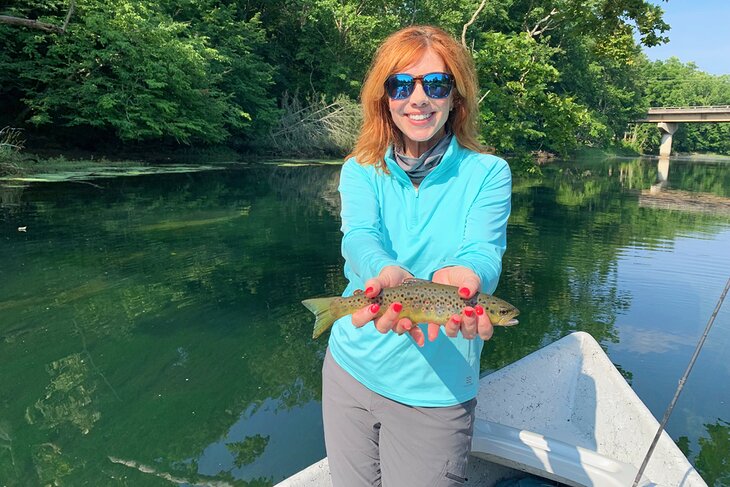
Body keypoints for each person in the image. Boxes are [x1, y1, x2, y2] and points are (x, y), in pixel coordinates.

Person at [322, 25, 512, 487]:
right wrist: (384, 271)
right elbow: (360, 236)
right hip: (350, 367)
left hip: (437, 389)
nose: (418, 98)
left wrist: (468, 276)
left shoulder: (489, 172)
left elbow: (483, 252)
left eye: (437, 84)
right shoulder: (360, 167)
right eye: (401, 85)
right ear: (384, 97)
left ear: (456, 98)